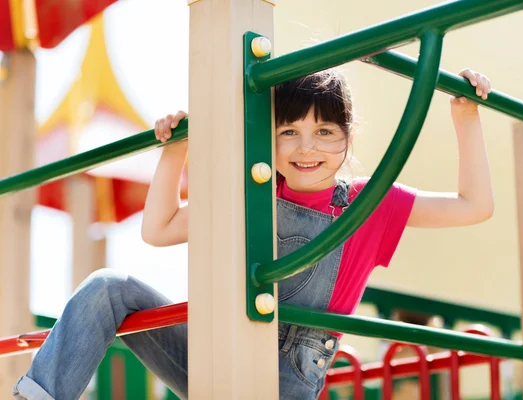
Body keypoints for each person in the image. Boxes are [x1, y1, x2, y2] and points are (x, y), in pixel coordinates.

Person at [13, 67, 493, 400]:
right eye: (289, 132)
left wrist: (465, 120)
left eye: (325, 132)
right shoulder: (255, 191)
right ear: (270, 137)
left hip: (284, 381)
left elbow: (474, 206)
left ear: (349, 135)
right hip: (217, 353)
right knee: (107, 289)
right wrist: (176, 150)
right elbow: (158, 230)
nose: (307, 148)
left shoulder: (371, 202)